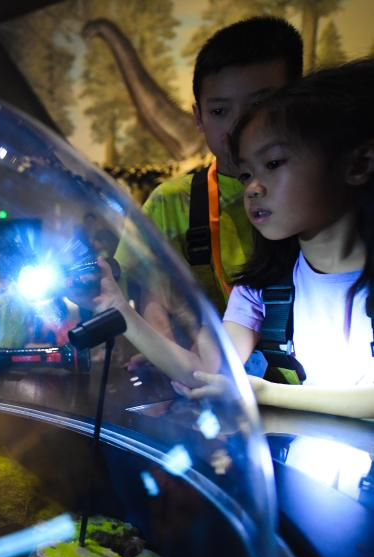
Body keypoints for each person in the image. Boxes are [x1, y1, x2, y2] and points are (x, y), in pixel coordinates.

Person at [94, 59, 374, 419]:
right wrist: (120, 312)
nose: (253, 188)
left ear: (358, 164)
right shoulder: (262, 287)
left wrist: (263, 392)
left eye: (273, 164)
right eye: (246, 175)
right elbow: (206, 371)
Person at [115, 17, 303, 339]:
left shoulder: (323, 192)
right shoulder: (171, 202)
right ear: (198, 117)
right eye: (219, 111)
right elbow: (153, 306)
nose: (238, 127)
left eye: (261, 105)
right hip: (211, 365)